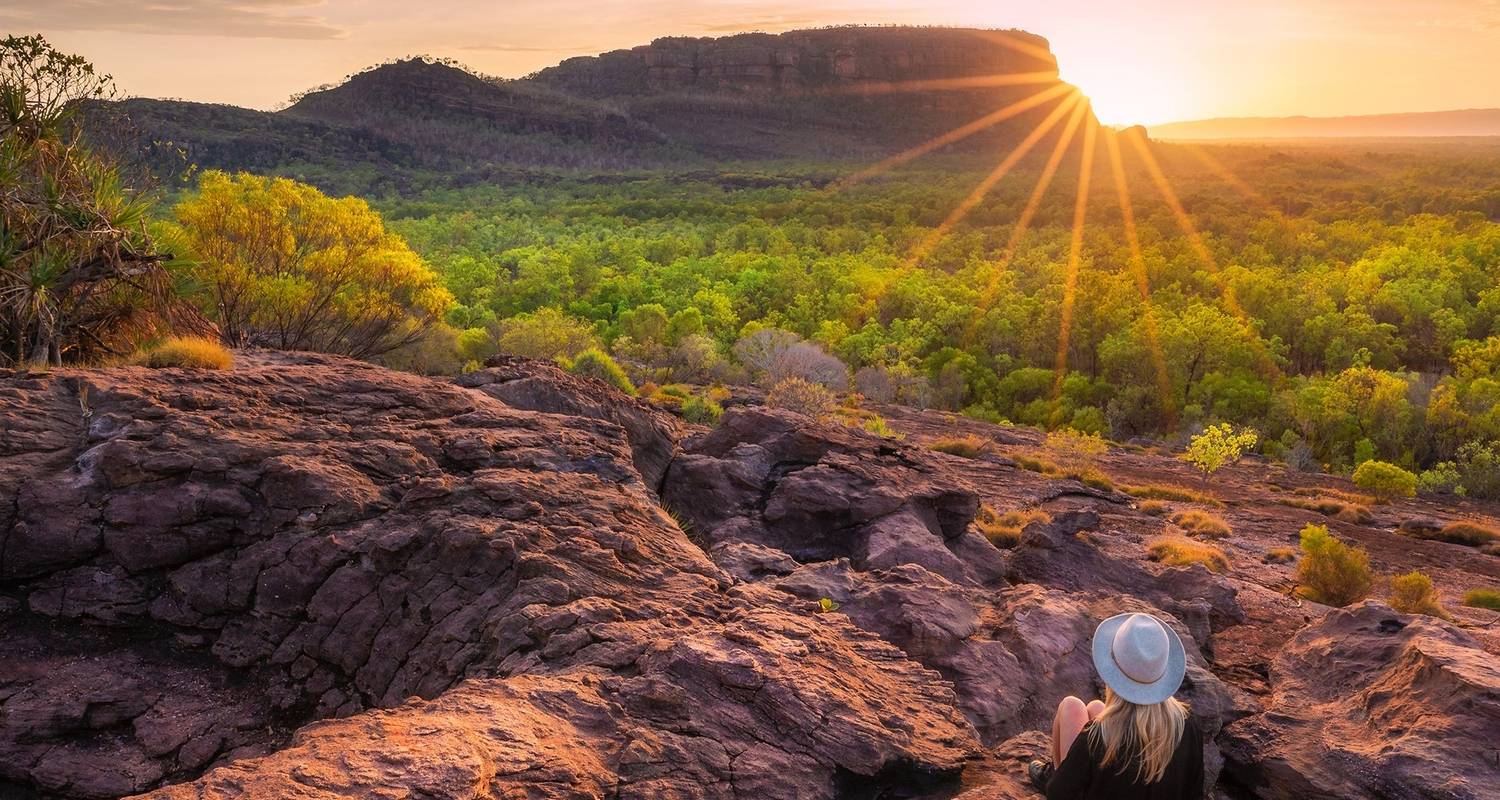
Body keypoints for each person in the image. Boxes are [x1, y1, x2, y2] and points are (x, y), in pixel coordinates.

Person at [1026, 612, 1204, 799]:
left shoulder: (1097, 736)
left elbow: (1058, 793)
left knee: (1071, 707)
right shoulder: (1187, 726)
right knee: (1096, 707)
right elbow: (1194, 793)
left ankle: (1055, 771)